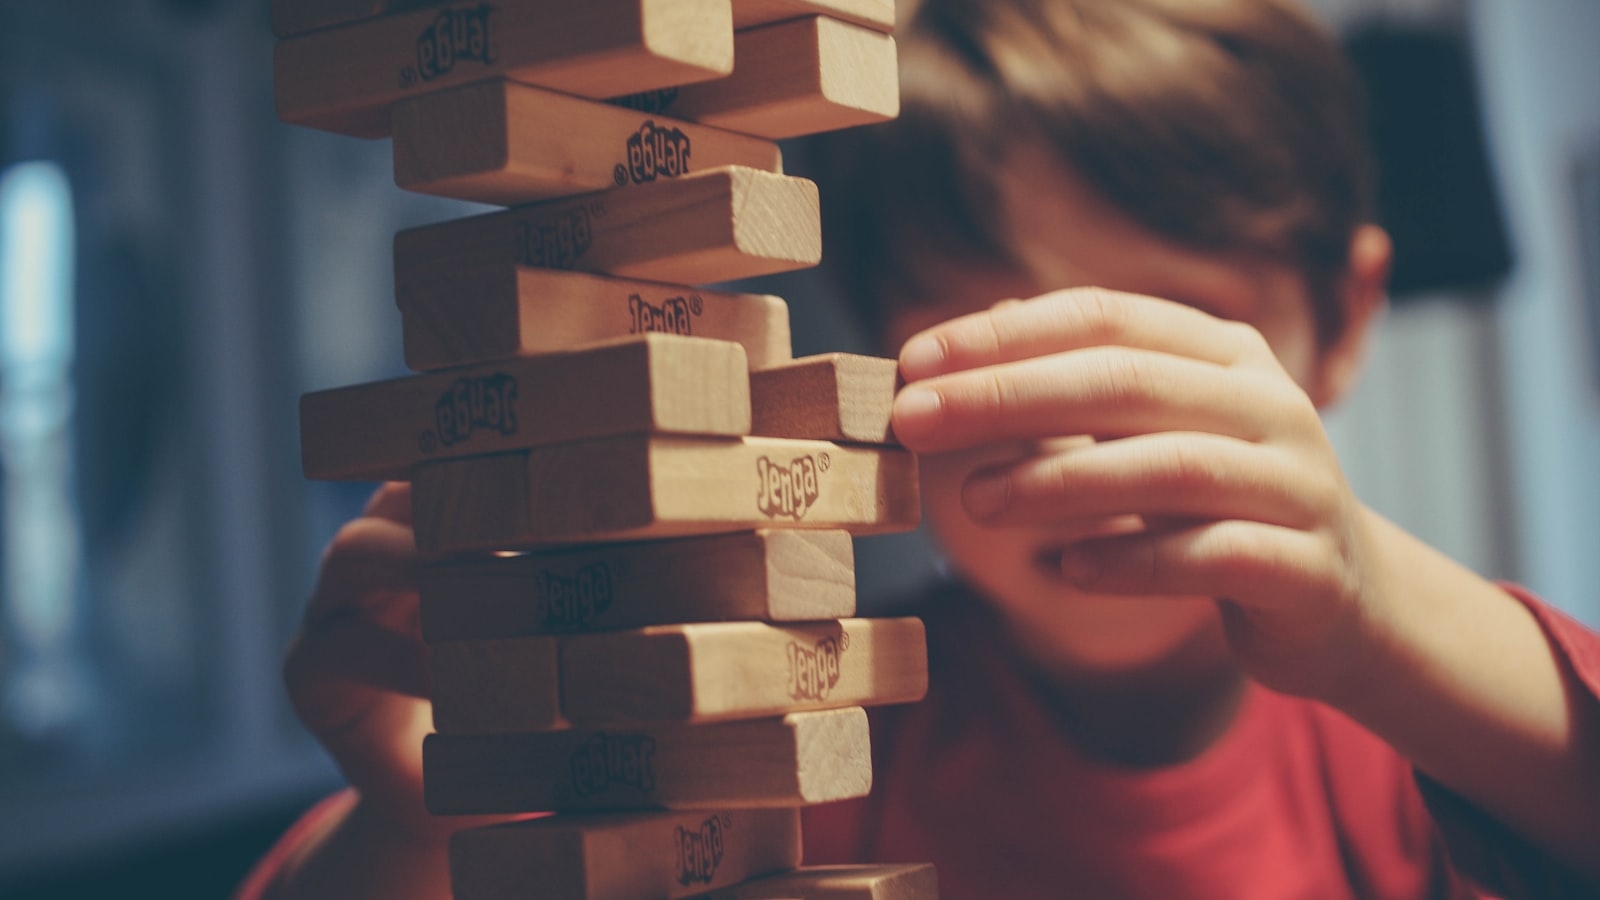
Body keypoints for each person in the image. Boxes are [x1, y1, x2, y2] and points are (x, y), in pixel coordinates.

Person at [239, 0, 1600, 896]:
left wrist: (1370, 609)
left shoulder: (1427, 742)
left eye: (1170, 339)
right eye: (985, 345)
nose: (1079, 434)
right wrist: (430, 827)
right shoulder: (808, 733)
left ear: (1344, 319)